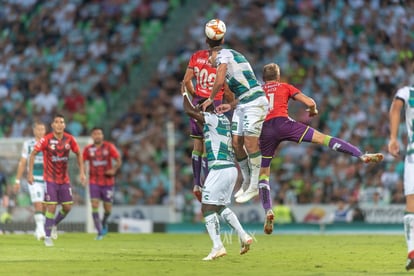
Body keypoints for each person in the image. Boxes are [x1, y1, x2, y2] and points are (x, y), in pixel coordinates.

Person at [258, 63, 383, 234]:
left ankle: (268, 210)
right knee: (324, 139)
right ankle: (360, 155)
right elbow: (309, 102)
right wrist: (313, 110)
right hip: (284, 123)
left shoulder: (258, 90)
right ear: (278, 77)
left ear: (264, 78)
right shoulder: (285, 86)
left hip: (266, 130)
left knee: (264, 173)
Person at [200, 19, 269, 204]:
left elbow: (220, 76)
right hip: (244, 103)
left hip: (256, 103)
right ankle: (246, 180)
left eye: (210, 60)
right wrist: (230, 105)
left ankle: (254, 186)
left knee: (250, 143)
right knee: (236, 143)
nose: (210, 64)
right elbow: (245, 88)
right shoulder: (231, 65)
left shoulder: (224, 54)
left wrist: (210, 98)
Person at [183, 90, 252, 261]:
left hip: (219, 168)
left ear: (207, 107)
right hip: (230, 168)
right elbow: (201, 125)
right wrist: (198, 115)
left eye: (201, 108)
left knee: (207, 207)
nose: (199, 111)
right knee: (219, 207)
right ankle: (244, 236)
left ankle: (217, 246)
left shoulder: (212, 118)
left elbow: (189, 111)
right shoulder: (222, 120)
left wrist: (184, 94)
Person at [28, 113, 86, 247]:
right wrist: (30, 173)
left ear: (64, 125)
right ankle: (47, 237)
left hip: (64, 179)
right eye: (57, 122)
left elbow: (78, 153)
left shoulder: (70, 139)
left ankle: (53, 224)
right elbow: (33, 154)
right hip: (50, 179)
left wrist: (82, 172)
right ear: (52, 125)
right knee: (52, 206)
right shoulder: (46, 139)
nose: (59, 124)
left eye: (62, 122)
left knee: (67, 207)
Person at [182, 42, 226, 202]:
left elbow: (186, 81)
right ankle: (208, 184)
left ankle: (196, 184)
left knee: (197, 146)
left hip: (197, 102)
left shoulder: (196, 56)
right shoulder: (224, 59)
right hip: (214, 103)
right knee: (210, 147)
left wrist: (194, 96)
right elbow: (225, 85)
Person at [388, 85, 414, 271]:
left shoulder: (407, 92)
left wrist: (393, 138)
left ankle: (412, 251)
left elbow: (396, 107)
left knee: (411, 204)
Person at [83, 127, 122, 240]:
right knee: (94, 205)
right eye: (95, 134)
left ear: (102, 135)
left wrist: (114, 170)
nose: (97, 136)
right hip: (94, 181)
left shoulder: (109, 147)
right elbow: (81, 161)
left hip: (107, 182)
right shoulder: (88, 149)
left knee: (108, 209)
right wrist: (83, 174)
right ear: (92, 136)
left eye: (99, 133)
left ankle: (104, 222)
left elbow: (118, 159)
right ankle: (99, 231)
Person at [14, 121, 47, 240]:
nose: (40, 132)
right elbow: (22, 162)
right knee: (37, 203)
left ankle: (38, 228)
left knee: (45, 206)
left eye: (42, 129)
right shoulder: (28, 144)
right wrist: (17, 180)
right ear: (34, 131)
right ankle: (41, 230)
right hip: (33, 178)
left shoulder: (49, 144)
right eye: (38, 129)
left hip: (47, 179)